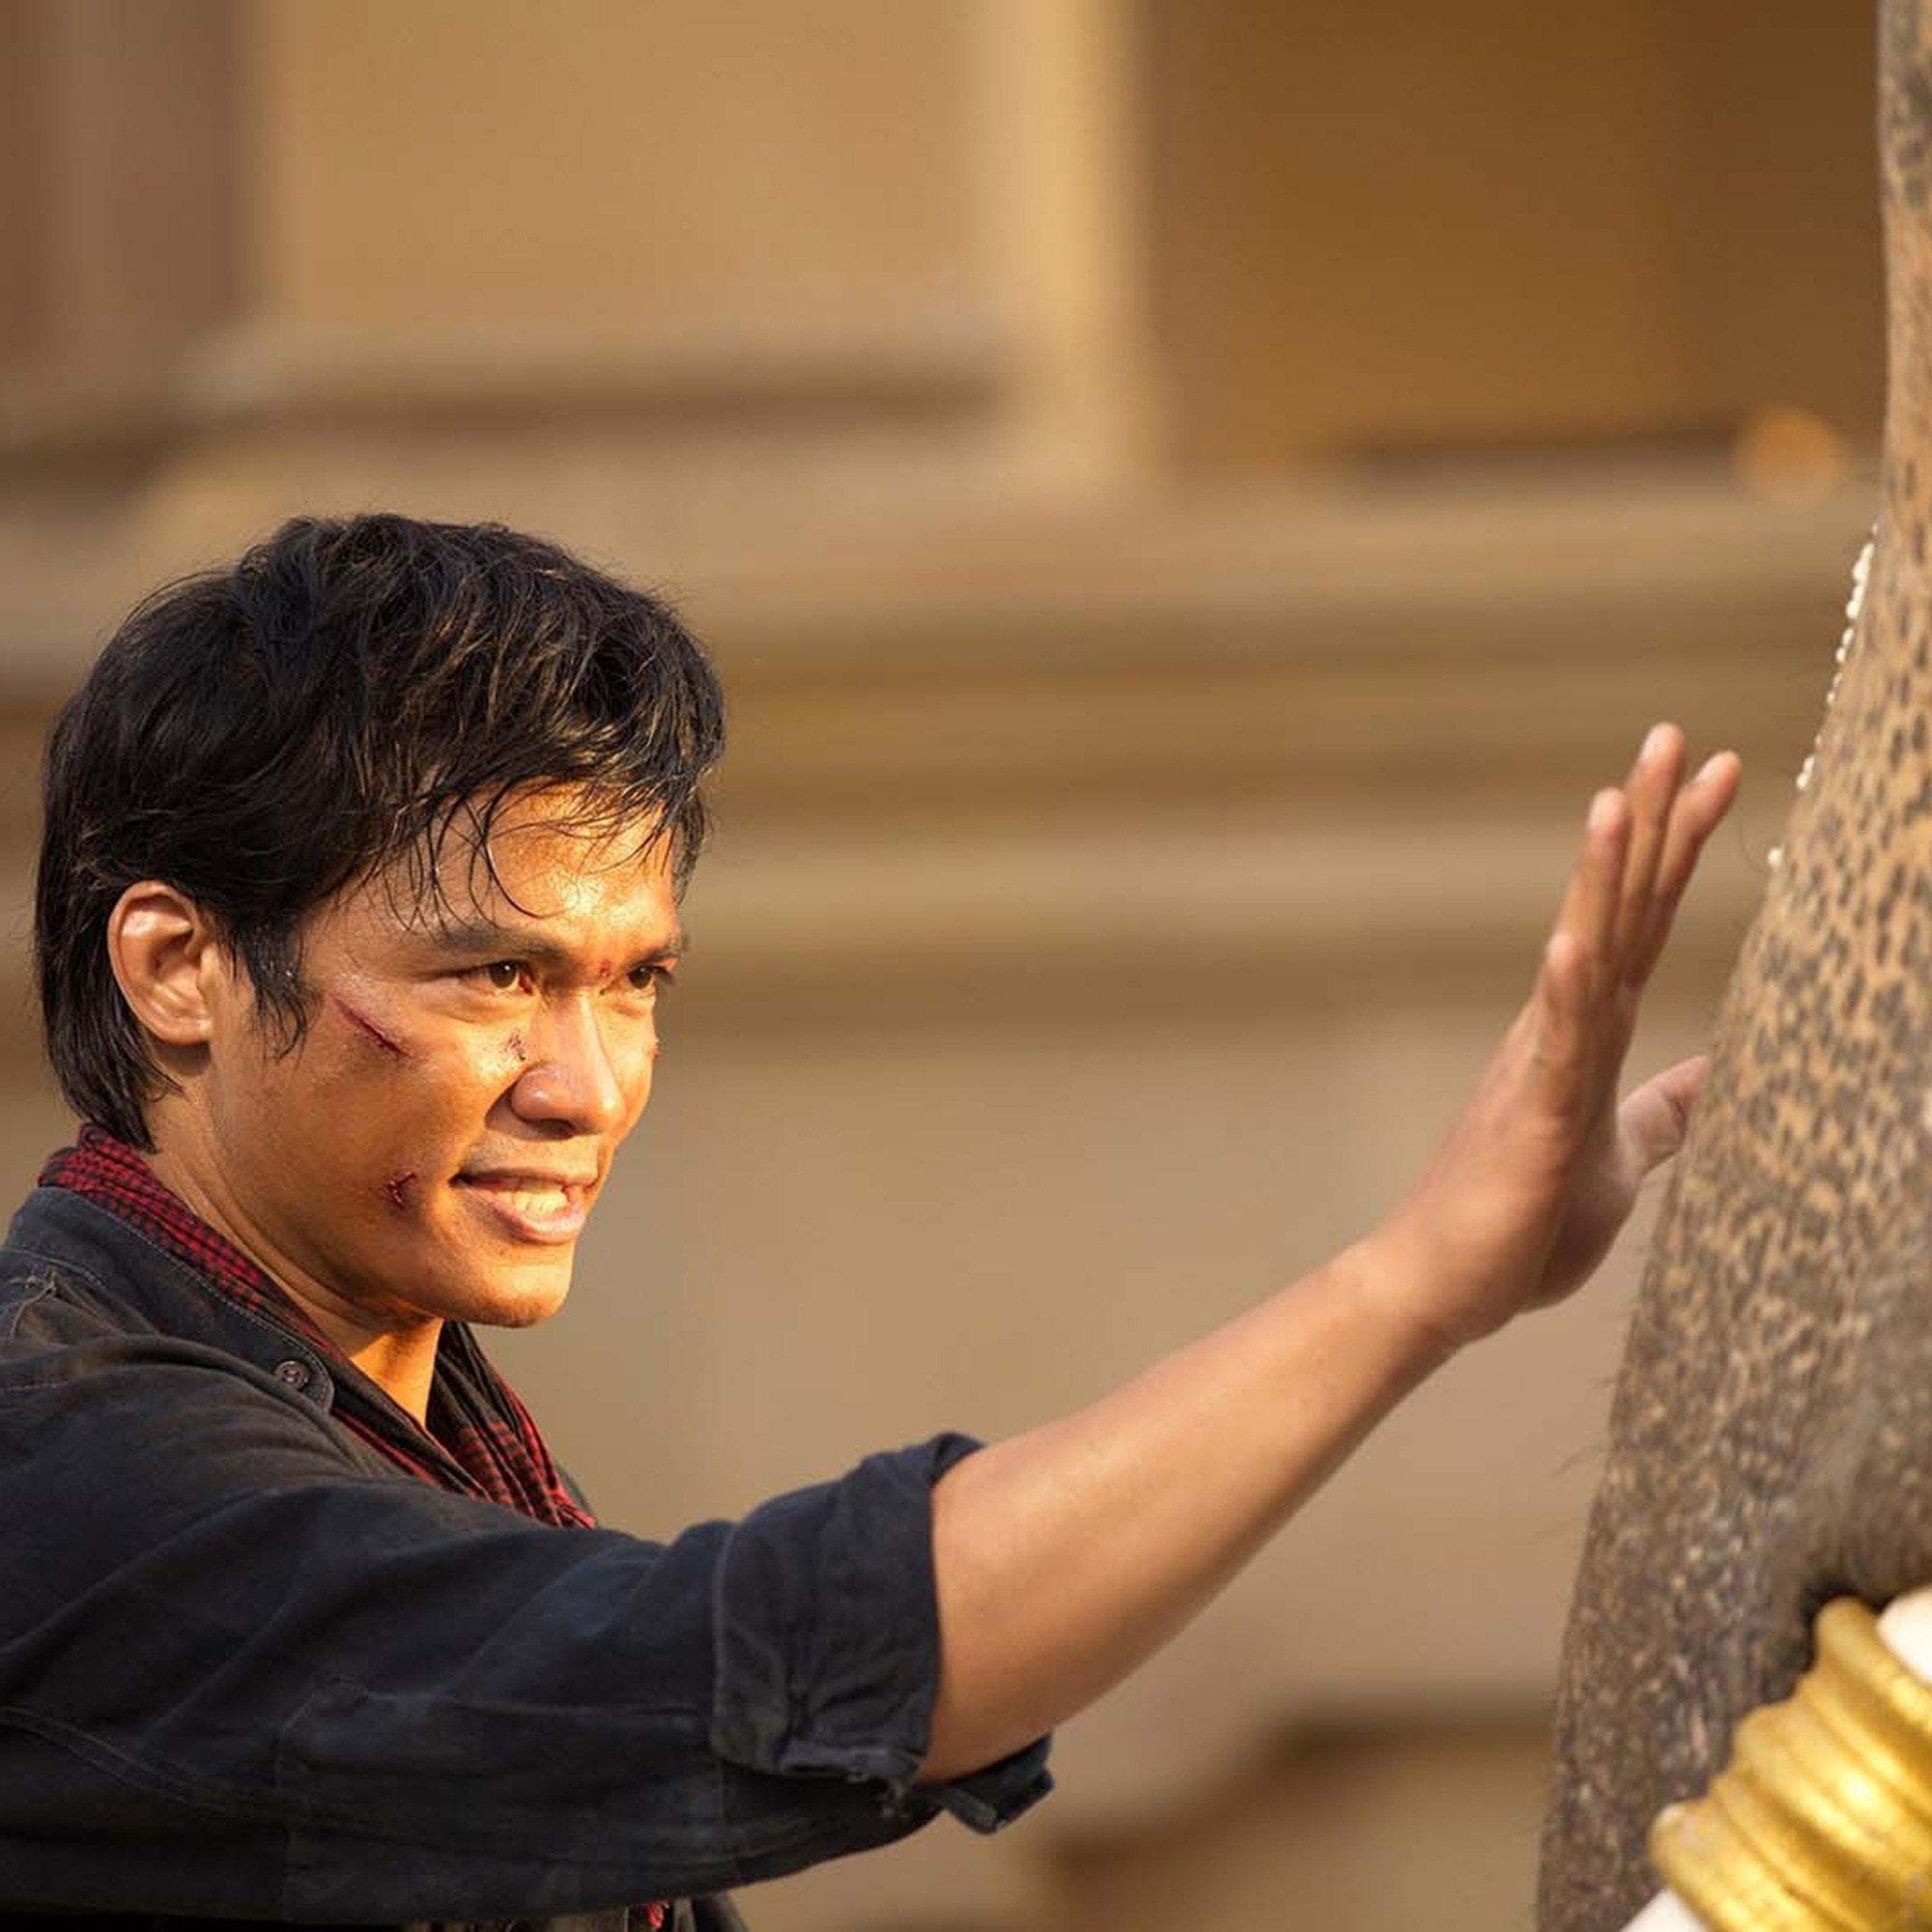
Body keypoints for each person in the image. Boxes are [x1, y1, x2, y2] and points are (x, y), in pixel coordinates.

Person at [0, 512, 1741, 1930]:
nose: (586, 1087)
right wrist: (1412, 1285)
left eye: (636, 982)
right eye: (495, 978)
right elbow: (767, 1657)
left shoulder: (408, 1425)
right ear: (179, 967)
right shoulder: (67, 1467)